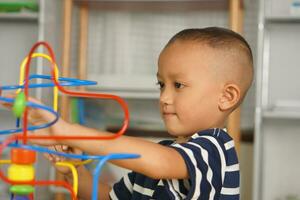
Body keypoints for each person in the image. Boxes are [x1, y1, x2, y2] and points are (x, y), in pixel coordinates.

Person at [16, 27, 254, 200]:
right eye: (161, 85)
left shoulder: (215, 150)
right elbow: (108, 197)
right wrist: (73, 172)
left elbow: (160, 163)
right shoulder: (159, 158)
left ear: (227, 97)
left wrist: (67, 131)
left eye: (178, 85)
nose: (164, 97)